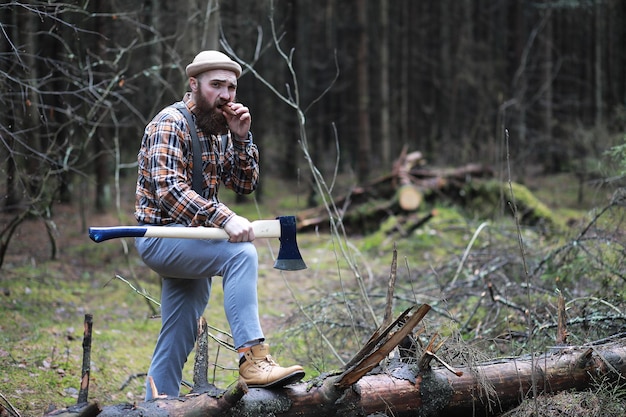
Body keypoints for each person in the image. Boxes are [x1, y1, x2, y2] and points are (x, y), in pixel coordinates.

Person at [134, 50, 305, 400]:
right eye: (216, 85)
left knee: (179, 330)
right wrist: (224, 218)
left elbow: (243, 184)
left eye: (231, 87)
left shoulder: (216, 129)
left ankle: (157, 404)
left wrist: (242, 138)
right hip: (161, 239)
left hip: (193, 241)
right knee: (240, 253)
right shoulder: (170, 123)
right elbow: (168, 190)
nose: (226, 95)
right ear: (194, 84)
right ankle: (252, 357)